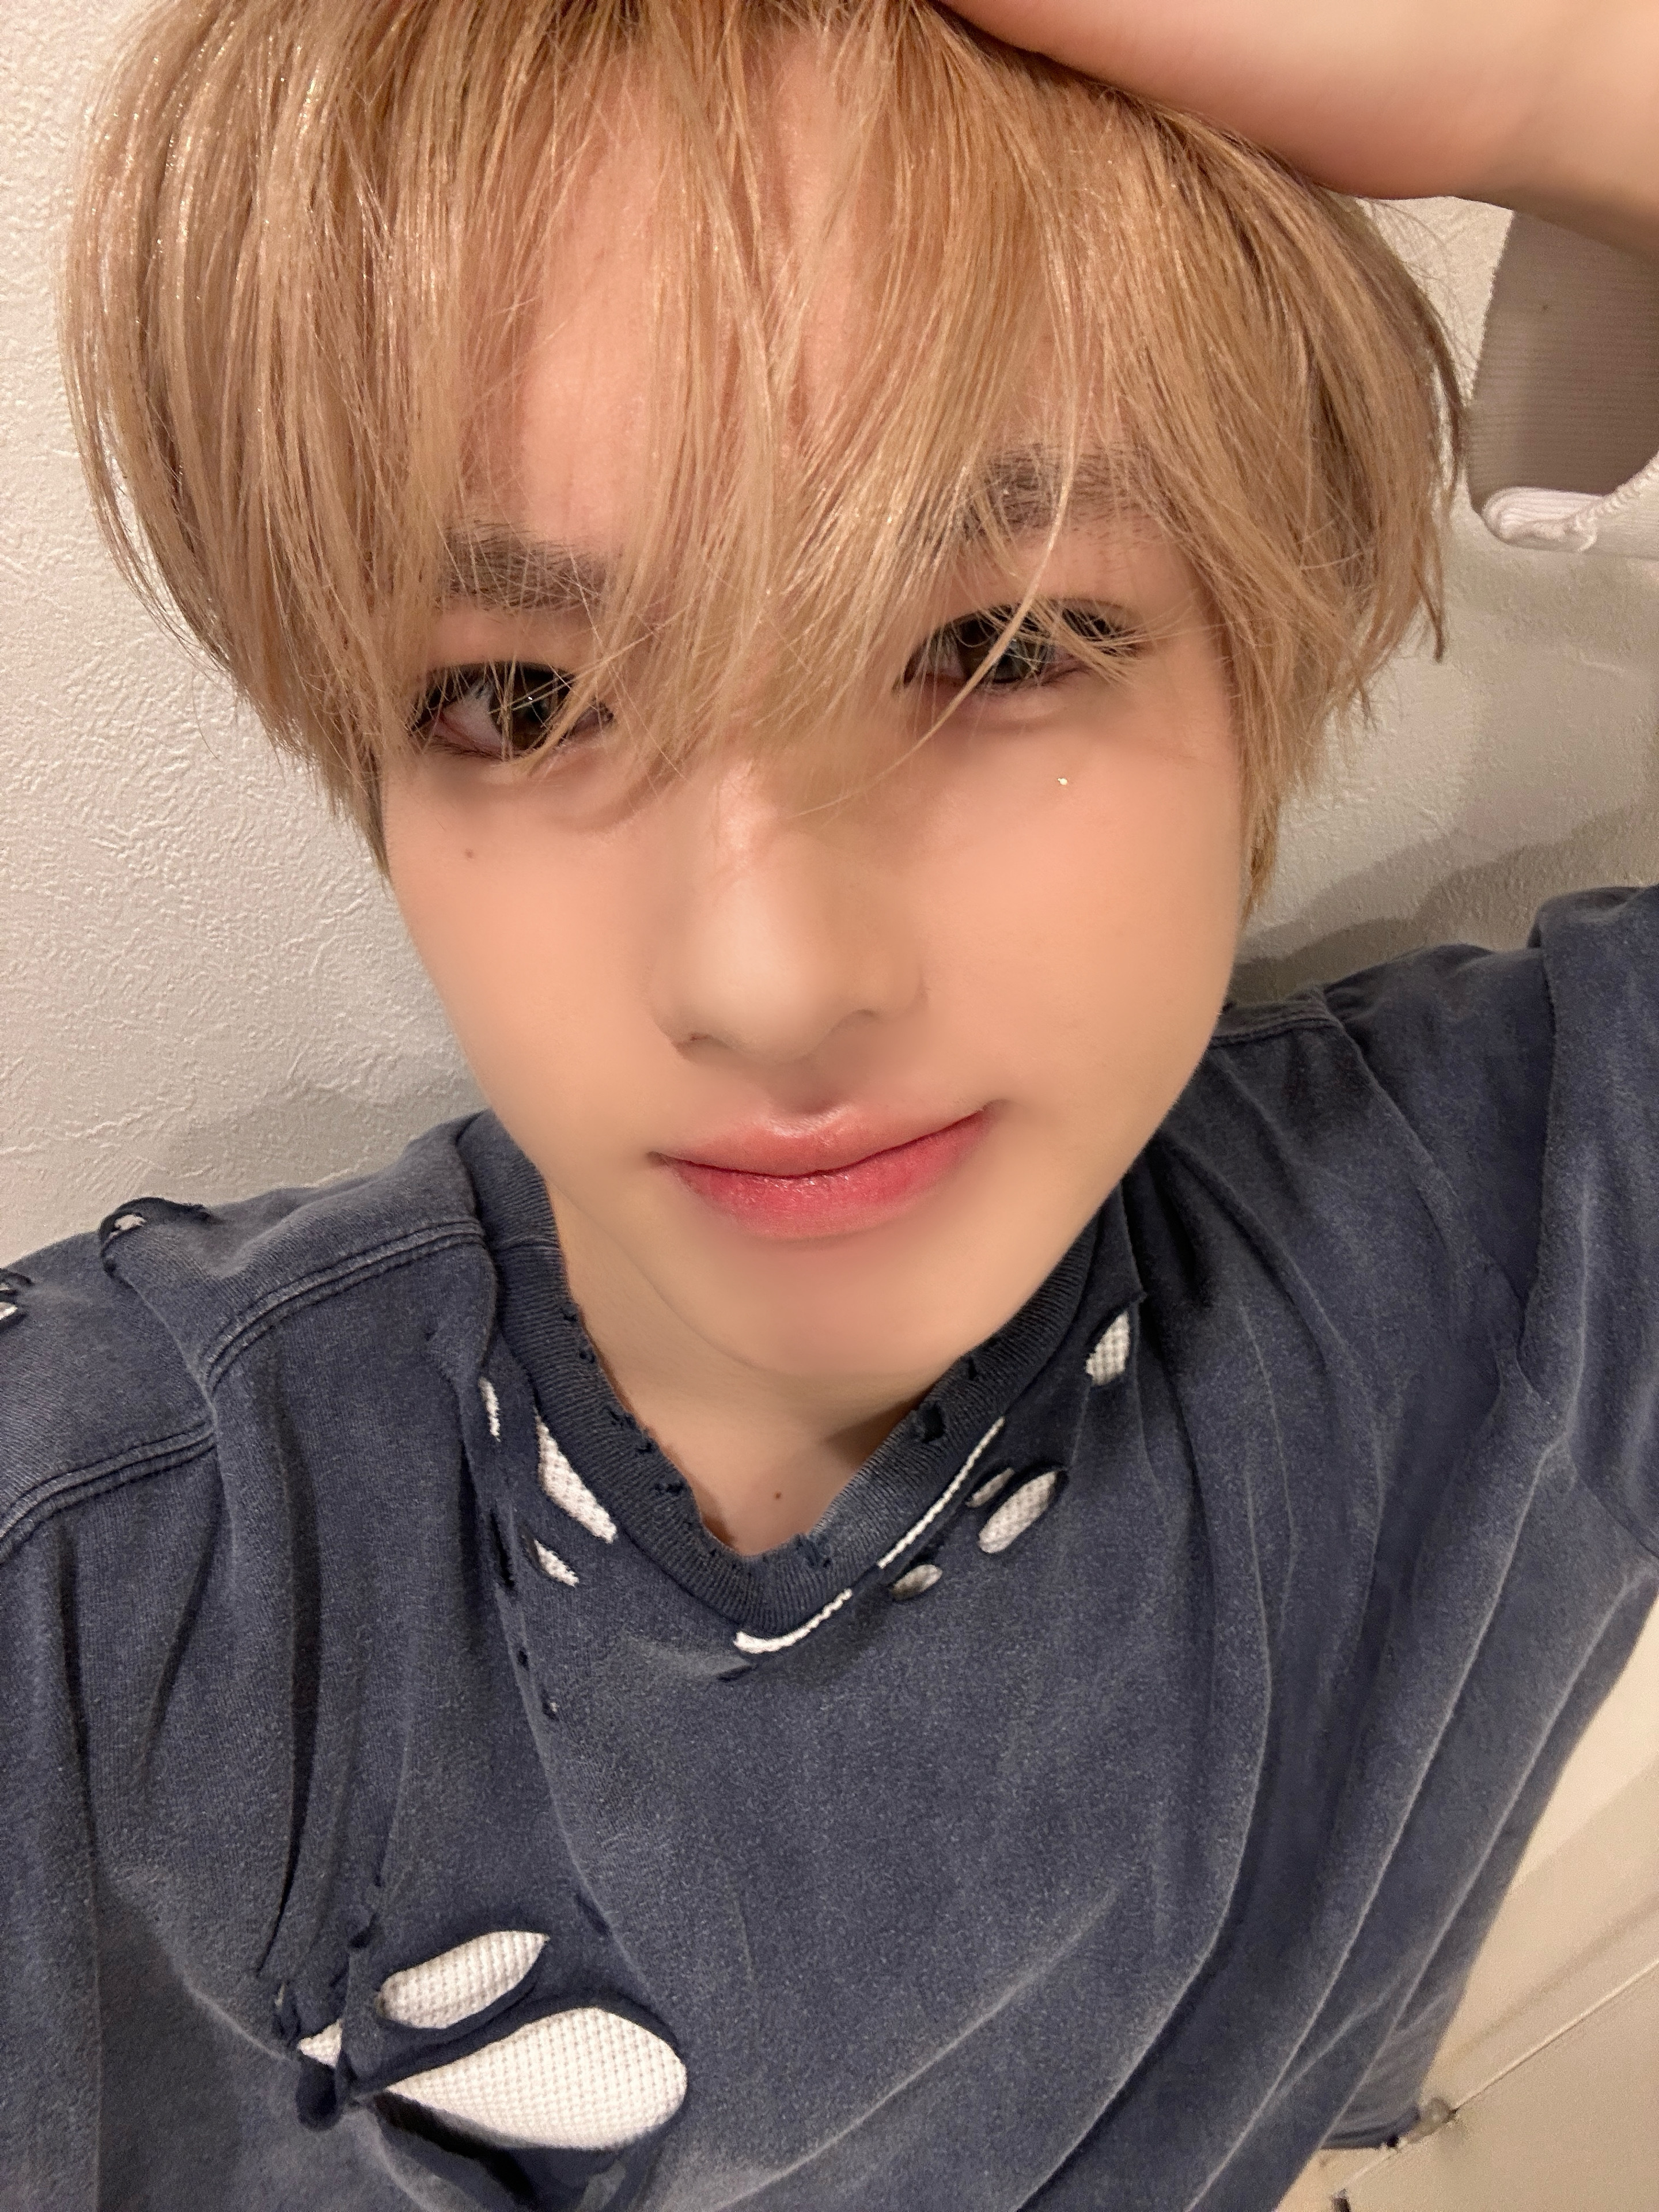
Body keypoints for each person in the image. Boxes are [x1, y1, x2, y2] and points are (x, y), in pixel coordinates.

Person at [3, 2, 1656, 2208]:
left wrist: (1576, 75)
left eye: (1003, 644)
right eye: (526, 696)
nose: (768, 982)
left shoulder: (1511, 1260)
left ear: (1261, 662)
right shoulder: (115, 1589)